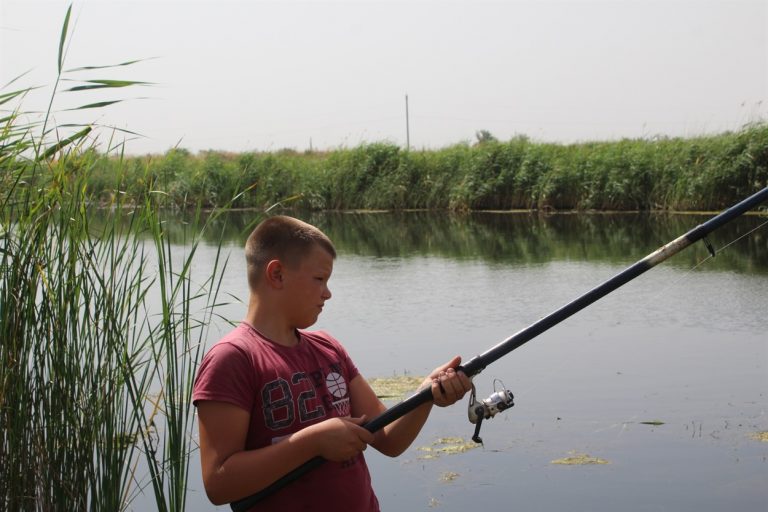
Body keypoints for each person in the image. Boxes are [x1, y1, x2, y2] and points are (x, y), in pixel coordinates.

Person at [192, 215, 472, 511]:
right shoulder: (232, 358)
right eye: (319, 279)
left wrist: (426, 394)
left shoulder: (328, 348)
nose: (327, 293)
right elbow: (218, 483)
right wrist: (312, 442)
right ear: (277, 274)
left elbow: (388, 439)